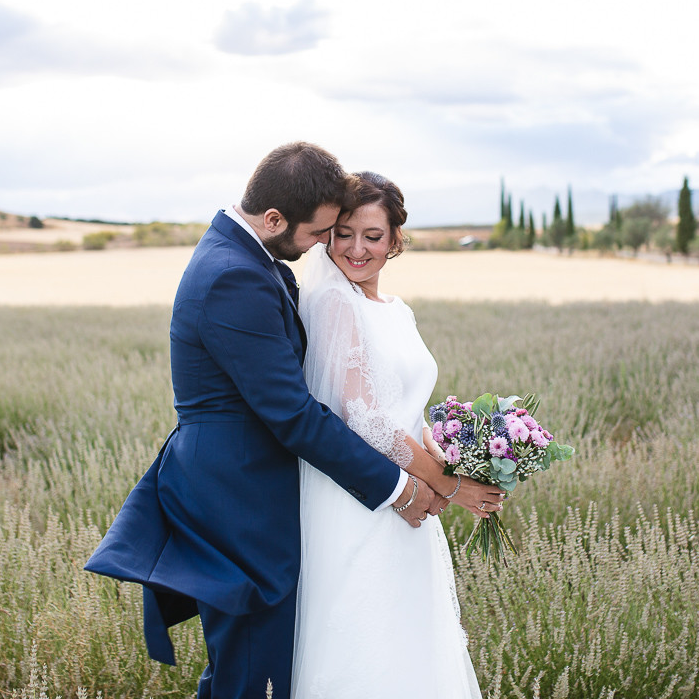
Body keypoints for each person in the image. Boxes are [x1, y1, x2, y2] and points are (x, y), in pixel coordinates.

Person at [85, 143, 499, 699]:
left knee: (260, 665)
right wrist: (403, 487)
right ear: (276, 219)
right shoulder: (234, 274)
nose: (323, 248)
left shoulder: (248, 261)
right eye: (321, 233)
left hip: (261, 488)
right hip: (239, 494)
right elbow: (294, 412)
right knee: (249, 672)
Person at [291, 170, 497, 698]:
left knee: (408, 639)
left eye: (373, 236)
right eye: (343, 234)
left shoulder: (396, 310)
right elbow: (363, 417)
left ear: (395, 241)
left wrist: (456, 459)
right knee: (368, 635)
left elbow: (403, 411)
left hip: (411, 488)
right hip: (363, 497)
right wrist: (449, 487)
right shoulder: (336, 304)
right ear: (327, 236)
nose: (356, 249)